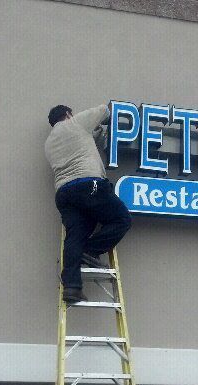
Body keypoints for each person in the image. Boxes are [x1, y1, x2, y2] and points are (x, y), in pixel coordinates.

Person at [45, 104, 132, 304]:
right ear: (68, 114)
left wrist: (95, 136)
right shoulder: (75, 123)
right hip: (89, 184)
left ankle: (72, 287)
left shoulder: (49, 142)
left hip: (64, 193)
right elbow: (106, 110)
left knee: (75, 234)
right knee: (122, 219)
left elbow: (79, 148)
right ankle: (90, 251)